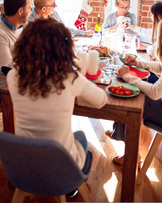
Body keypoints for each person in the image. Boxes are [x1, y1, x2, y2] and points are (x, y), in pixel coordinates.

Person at [7, 18, 107, 172]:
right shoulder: (70, 78)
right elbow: (101, 101)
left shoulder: (13, 76)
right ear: (64, 48)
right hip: (62, 168)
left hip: (24, 165)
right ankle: (69, 186)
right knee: (80, 136)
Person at [107, 14, 162, 166]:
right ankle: (118, 133)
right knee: (143, 81)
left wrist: (128, 77)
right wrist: (138, 62)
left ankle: (131, 156)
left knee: (129, 99)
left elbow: (155, 93)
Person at [0, 0, 32, 102]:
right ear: (20, 11)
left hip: (21, 83)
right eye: (29, 8)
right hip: (4, 90)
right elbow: (8, 70)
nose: (31, 12)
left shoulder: (20, 28)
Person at [28, 0, 94, 37]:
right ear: (43, 9)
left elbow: (63, 29)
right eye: (53, 4)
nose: (56, 6)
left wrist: (84, 33)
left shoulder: (54, 14)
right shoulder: (30, 23)